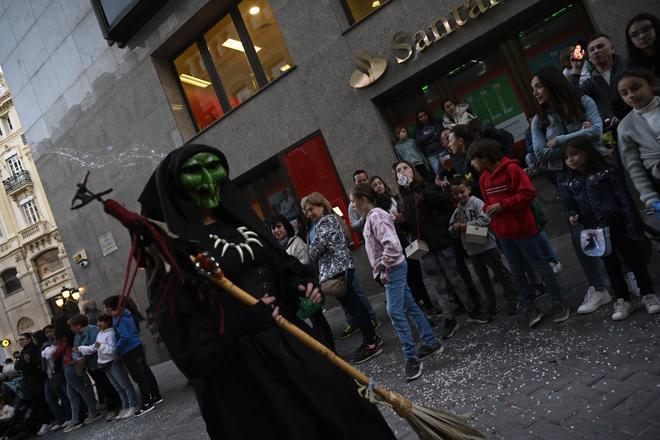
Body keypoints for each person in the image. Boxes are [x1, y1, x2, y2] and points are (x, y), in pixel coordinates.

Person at [136, 144, 396, 439]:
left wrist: (295, 284)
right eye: (195, 171)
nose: (209, 178)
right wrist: (242, 322)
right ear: (176, 186)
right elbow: (187, 343)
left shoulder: (243, 226)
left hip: (291, 341)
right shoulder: (174, 253)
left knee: (344, 411)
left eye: (214, 167)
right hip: (243, 373)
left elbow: (275, 267)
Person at [530, 66, 611, 314]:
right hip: (566, 179)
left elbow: (597, 130)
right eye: (532, 89)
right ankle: (598, 287)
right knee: (579, 231)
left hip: (597, 169)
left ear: (552, 83)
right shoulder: (539, 120)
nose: (535, 93)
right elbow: (540, 153)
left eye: (539, 86)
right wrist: (581, 136)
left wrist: (561, 140)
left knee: (611, 221)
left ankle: (629, 274)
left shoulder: (582, 100)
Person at [468, 138, 569, 328]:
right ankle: (529, 306)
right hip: (503, 234)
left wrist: (503, 205)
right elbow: (488, 202)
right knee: (516, 272)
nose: (472, 164)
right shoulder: (483, 179)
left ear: (484, 157)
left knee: (542, 266)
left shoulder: (512, 169)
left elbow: (528, 193)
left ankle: (558, 302)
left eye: (474, 159)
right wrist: (489, 208)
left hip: (524, 229)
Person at [559, 136, 660, 320]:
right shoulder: (568, 181)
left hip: (618, 224)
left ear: (586, 152)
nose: (571, 160)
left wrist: (632, 224)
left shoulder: (606, 171)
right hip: (594, 230)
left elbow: (624, 199)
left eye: (574, 154)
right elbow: (569, 203)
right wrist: (572, 214)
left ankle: (648, 294)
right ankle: (622, 299)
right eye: (567, 157)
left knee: (633, 259)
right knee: (610, 264)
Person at [352, 183, 443, 381]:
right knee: (409, 306)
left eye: (354, 201)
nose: (353, 206)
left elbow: (392, 245)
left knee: (395, 311)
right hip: (391, 268)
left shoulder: (376, 216)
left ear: (363, 199)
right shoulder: (372, 217)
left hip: (392, 269)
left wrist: (384, 266)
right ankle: (430, 341)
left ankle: (412, 358)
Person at [395, 160, 478, 336]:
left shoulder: (426, 188)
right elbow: (411, 225)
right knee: (437, 283)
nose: (402, 172)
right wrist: (403, 223)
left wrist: (417, 187)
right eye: (398, 171)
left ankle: (471, 307)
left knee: (455, 276)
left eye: (405, 168)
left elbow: (443, 205)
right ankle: (449, 317)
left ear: (412, 171)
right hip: (425, 248)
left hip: (441, 240)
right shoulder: (404, 199)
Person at [303, 192, 383, 364]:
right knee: (353, 307)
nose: (309, 214)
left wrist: (312, 251)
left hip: (338, 270)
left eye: (311, 209)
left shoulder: (326, 221)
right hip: (337, 270)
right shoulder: (322, 222)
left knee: (355, 307)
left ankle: (372, 342)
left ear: (321, 206)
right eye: (306, 211)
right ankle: (369, 339)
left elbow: (316, 249)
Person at [448, 176, 518, 317]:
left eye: (462, 191)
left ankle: (513, 298)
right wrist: (454, 228)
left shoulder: (476, 202)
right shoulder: (457, 211)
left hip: (487, 246)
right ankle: (492, 304)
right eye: (456, 194)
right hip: (472, 250)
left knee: (500, 273)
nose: (460, 196)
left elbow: (486, 219)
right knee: (483, 278)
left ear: (468, 189)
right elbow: (451, 228)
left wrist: (465, 226)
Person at [370, 176, 438, 315]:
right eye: (375, 185)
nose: (378, 186)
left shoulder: (395, 199)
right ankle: (420, 310)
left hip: (407, 242)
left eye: (380, 183)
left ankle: (429, 305)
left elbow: (409, 219)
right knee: (408, 281)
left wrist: (402, 220)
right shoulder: (376, 209)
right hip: (395, 248)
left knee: (417, 276)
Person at [269, 214, 335, 351]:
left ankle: (330, 349)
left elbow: (306, 268)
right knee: (314, 322)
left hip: (307, 290)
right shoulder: (279, 248)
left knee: (318, 320)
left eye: (278, 226)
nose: (276, 230)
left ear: (286, 226)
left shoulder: (297, 243)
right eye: (272, 228)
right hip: (295, 294)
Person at [102, 296, 162, 416]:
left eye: (105, 307)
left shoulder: (118, 318)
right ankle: (155, 396)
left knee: (139, 377)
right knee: (145, 372)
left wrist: (117, 349)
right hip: (136, 346)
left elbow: (125, 336)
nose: (104, 309)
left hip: (130, 350)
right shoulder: (126, 314)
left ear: (109, 308)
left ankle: (146, 403)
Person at [75, 314, 138, 420]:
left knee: (125, 385)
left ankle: (132, 405)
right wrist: (81, 348)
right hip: (104, 364)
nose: (98, 324)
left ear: (108, 322)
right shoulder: (100, 334)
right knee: (117, 387)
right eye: (98, 321)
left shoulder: (112, 333)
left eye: (101, 321)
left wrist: (101, 346)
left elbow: (114, 350)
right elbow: (94, 347)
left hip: (113, 362)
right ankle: (125, 405)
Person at [616, 68, 660, 208]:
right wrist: (650, 197)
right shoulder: (625, 126)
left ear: (651, 85)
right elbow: (633, 166)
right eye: (624, 93)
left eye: (636, 88)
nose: (631, 95)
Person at [569, 34, 628, 124]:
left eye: (600, 46)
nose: (596, 51)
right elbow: (574, 100)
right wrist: (576, 69)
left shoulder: (627, 66)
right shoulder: (591, 83)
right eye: (592, 50)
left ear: (612, 49)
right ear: (589, 58)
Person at [14, 332, 52, 436]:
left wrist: (21, 364)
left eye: (23, 339)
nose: (20, 341)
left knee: (40, 402)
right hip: (31, 381)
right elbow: (18, 365)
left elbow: (19, 365)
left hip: (35, 380)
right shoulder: (25, 351)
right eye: (19, 340)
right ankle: (49, 420)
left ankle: (47, 422)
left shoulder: (30, 350)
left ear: (29, 339)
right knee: (39, 402)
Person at [39, 324, 70, 432]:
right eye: (46, 332)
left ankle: (71, 416)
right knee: (60, 395)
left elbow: (55, 355)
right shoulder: (44, 345)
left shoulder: (59, 341)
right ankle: (65, 418)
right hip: (50, 374)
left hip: (59, 371)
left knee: (66, 395)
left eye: (50, 331)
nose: (49, 334)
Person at [625, 13, 659, 79]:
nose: (642, 36)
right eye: (634, 35)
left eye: (646, 29)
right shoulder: (632, 68)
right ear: (631, 41)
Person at [415, 109, 445, 174]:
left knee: (450, 170)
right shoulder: (418, 130)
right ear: (418, 120)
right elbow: (419, 140)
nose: (423, 118)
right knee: (440, 175)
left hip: (442, 151)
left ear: (427, 115)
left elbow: (440, 133)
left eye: (424, 115)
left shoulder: (435, 123)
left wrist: (426, 141)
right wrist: (433, 133)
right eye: (420, 117)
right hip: (431, 155)